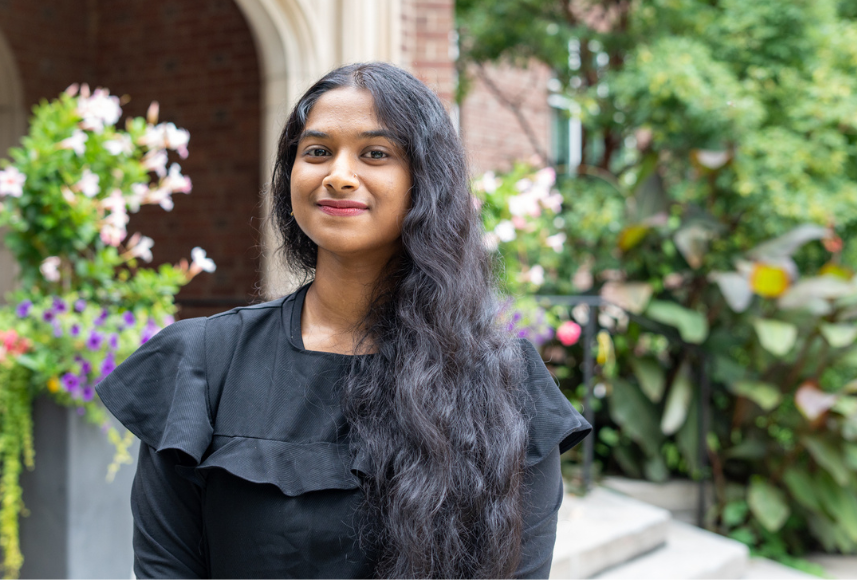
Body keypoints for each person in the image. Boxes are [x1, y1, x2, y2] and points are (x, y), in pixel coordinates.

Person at [96, 62, 590, 579]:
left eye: (375, 153)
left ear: (427, 181)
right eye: (317, 152)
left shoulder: (505, 381)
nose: (338, 174)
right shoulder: (202, 362)